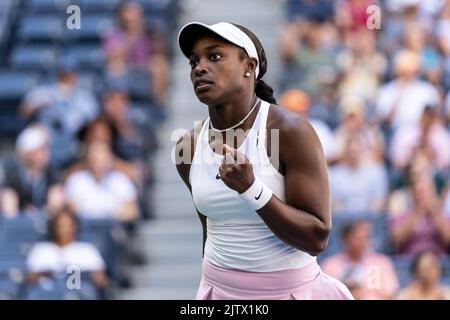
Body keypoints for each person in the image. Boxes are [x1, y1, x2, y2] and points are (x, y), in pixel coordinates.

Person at [175, 21, 353, 300]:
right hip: (217, 290)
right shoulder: (187, 146)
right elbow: (210, 231)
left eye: (215, 56)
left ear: (249, 65)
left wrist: (251, 190)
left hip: (291, 292)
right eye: (193, 61)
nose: (199, 68)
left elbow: (317, 238)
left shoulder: (290, 132)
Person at [26, 205, 109, 292]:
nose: (63, 229)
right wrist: (49, 274)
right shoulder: (40, 250)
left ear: (74, 227)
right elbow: (30, 279)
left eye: (67, 225)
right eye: (60, 225)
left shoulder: (87, 250)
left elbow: (101, 280)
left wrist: (84, 276)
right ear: (53, 226)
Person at [321, 221, 399, 300]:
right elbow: (324, 295)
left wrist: (363, 292)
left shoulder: (381, 263)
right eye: (359, 238)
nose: (364, 242)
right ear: (346, 239)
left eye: (366, 237)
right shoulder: (330, 265)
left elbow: (391, 293)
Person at [0, 125, 62, 217]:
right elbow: (9, 210)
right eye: (41, 149)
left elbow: (56, 203)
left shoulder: (51, 171)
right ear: (29, 153)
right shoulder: (12, 174)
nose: (46, 153)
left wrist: (42, 213)